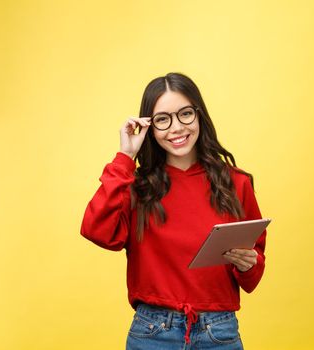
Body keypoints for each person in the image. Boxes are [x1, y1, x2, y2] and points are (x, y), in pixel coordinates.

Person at [80, 72, 267, 349]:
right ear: (150, 127)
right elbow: (96, 231)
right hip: (153, 332)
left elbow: (253, 274)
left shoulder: (235, 183)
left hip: (219, 332)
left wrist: (248, 263)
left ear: (199, 115)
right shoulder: (135, 187)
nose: (177, 128)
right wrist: (125, 157)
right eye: (163, 120)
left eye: (185, 114)